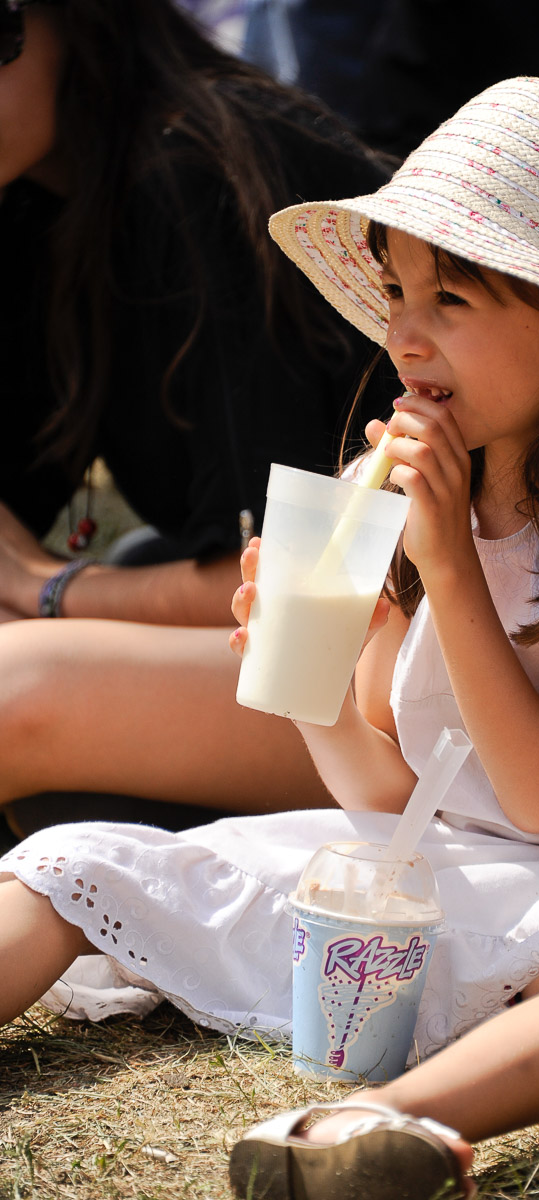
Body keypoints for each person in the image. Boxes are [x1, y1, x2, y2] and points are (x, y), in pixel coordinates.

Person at [0, 78, 539, 1200]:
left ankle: (370, 1128)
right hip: (433, 886)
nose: (402, 331)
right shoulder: (387, 493)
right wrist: (307, 663)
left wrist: (450, 563)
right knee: (74, 866)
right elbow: (387, 791)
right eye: (397, 290)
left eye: (449, 298)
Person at [0, 0, 392, 834]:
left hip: (423, 677)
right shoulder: (44, 196)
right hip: (313, 661)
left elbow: (275, 584)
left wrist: (47, 587)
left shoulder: (202, 173)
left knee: (12, 687)